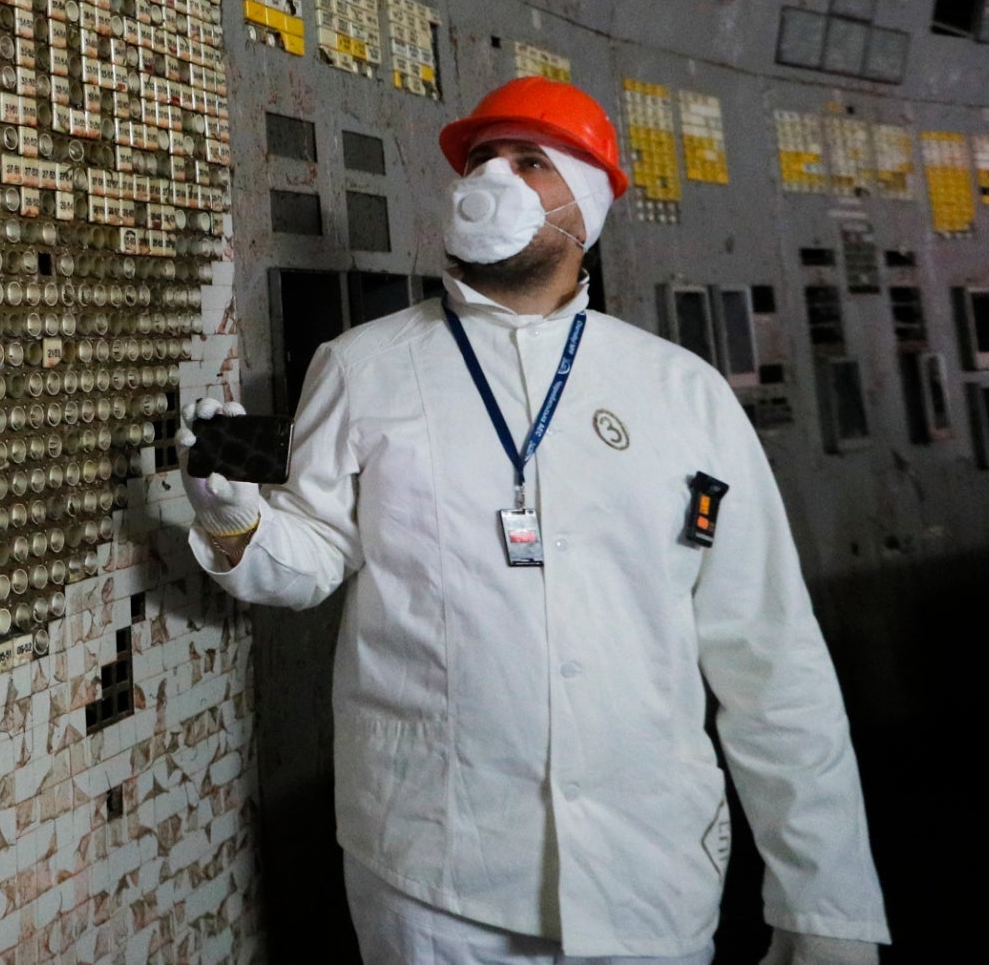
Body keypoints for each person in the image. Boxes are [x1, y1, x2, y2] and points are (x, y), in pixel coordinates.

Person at [181, 78, 889, 965]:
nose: (491, 178)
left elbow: (772, 656)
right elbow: (315, 551)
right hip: (435, 873)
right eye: (482, 159)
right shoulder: (364, 368)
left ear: (586, 205)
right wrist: (235, 523)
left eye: (528, 161)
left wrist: (825, 900)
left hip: (649, 874)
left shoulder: (682, 394)